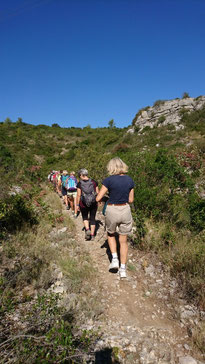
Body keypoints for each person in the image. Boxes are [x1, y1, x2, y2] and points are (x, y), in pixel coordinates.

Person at [96, 157, 134, 278]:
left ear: (111, 167)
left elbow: (98, 198)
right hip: (125, 209)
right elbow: (131, 200)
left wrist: (108, 196)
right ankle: (123, 269)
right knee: (123, 241)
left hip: (113, 209)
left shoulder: (109, 180)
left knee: (111, 234)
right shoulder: (129, 180)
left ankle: (115, 260)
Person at [76, 168, 99, 240]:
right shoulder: (94, 182)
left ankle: (87, 229)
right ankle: (92, 235)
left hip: (83, 204)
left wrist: (77, 205)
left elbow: (79, 195)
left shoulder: (79, 184)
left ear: (81, 175)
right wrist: (99, 201)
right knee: (92, 218)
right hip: (93, 203)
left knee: (85, 217)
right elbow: (97, 193)